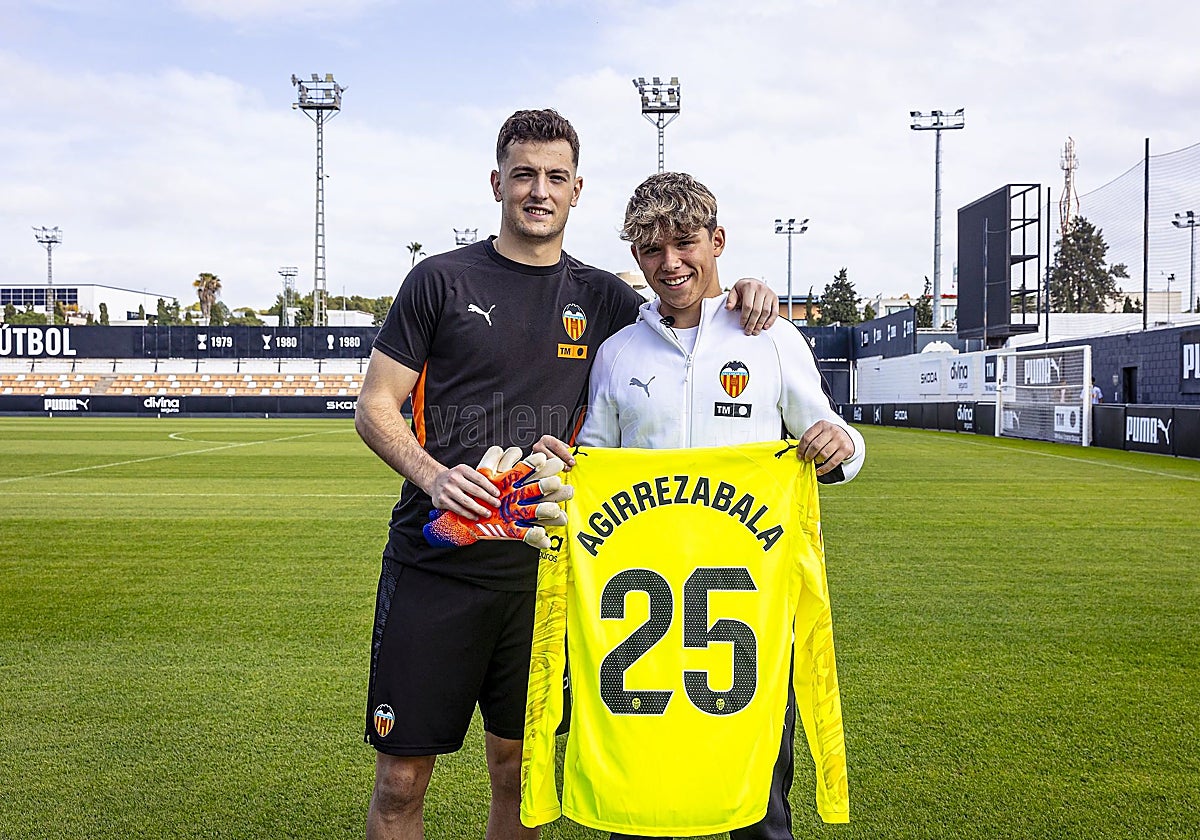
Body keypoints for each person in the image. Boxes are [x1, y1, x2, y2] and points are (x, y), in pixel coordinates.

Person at [354, 110, 780, 840]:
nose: (539, 190)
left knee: (521, 776)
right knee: (400, 781)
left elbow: (684, 309)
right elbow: (374, 407)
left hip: (546, 574)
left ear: (577, 189)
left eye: (556, 176)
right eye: (523, 174)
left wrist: (742, 291)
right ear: (497, 183)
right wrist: (434, 477)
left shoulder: (606, 298)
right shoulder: (439, 280)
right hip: (435, 563)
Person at [535, 171, 865, 839]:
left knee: (760, 814)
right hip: (641, 618)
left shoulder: (771, 337)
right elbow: (594, 463)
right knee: (644, 809)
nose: (670, 263)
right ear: (636, 257)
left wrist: (841, 445)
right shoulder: (618, 352)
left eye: (685, 242)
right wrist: (559, 474)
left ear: (717, 242)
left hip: (747, 620)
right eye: (651, 250)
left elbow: (836, 441)